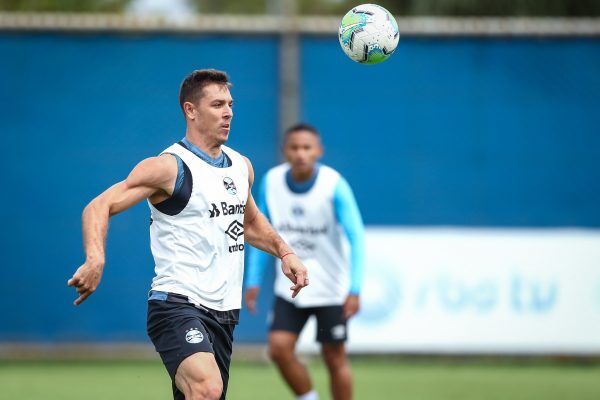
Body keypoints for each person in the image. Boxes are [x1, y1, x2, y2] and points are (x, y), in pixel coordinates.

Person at [67, 69, 309, 400]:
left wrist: (285, 252)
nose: (228, 113)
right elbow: (99, 206)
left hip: (224, 313)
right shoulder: (169, 167)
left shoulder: (240, 166)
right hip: (176, 304)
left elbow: (250, 222)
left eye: (230, 104)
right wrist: (95, 258)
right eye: (217, 104)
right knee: (208, 389)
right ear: (190, 110)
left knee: (206, 394)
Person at [244, 123, 365, 400]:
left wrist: (355, 288)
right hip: (290, 287)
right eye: (294, 147)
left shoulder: (334, 185)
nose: (300, 153)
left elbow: (357, 236)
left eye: (307, 147)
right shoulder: (271, 182)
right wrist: (252, 280)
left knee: (334, 358)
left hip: (330, 289)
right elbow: (260, 230)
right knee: (278, 348)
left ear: (319, 151)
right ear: (284, 150)